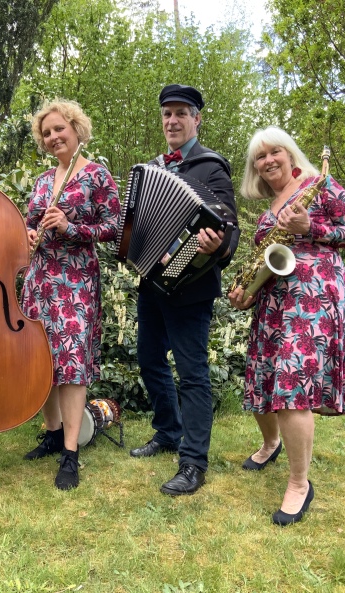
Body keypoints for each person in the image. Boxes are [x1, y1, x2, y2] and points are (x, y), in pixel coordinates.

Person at [227, 126, 345, 525]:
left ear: (290, 154)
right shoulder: (268, 209)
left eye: (275, 152)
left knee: (291, 389)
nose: (268, 160)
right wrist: (246, 292)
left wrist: (311, 229)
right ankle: (271, 443)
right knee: (262, 379)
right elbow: (264, 262)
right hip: (273, 303)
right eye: (260, 156)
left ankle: (299, 484)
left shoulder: (321, 186)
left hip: (314, 299)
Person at [128, 84, 240, 496]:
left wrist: (218, 246)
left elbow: (230, 230)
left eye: (180, 113)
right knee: (149, 359)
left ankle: (193, 462)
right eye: (166, 114)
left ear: (196, 119)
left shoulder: (212, 168)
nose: (172, 121)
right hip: (151, 283)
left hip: (191, 287)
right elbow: (136, 222)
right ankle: (168, 431)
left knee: (192, 374)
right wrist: (129, 245)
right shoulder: (150, 169)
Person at [20, 100, 121, 491]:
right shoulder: (44, 179)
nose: (53, 137)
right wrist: (29, 231)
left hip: (75, 280)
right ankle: (52, 433)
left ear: (77, 129)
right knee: (42, 359)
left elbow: (113, 228)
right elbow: (28, 222)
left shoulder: (96, 175)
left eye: (59, 128)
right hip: (40, 278)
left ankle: (70, 452)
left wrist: (70, 227)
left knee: (72, 362)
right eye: (46, 133)